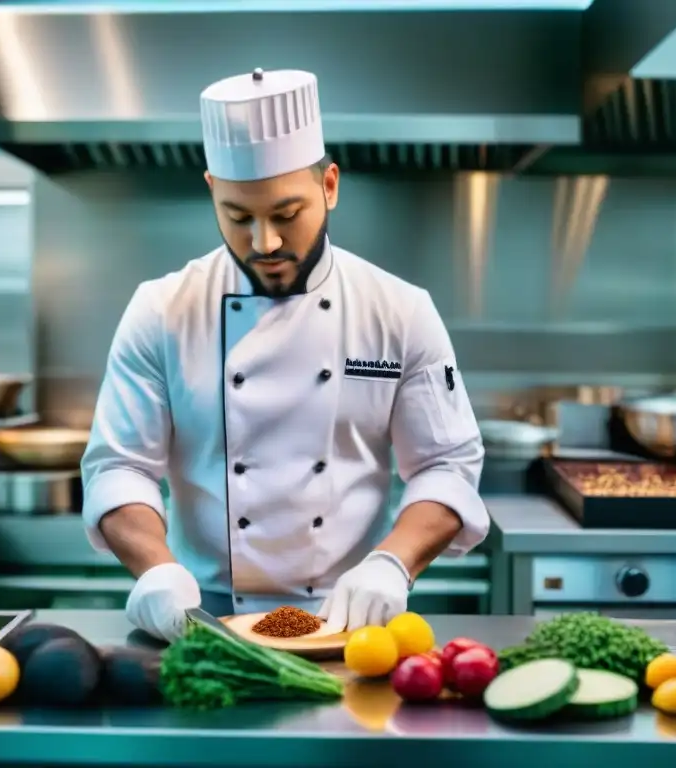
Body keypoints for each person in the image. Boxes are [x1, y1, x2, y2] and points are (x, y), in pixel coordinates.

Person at [81, 67, 487, 642]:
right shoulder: (162, 309)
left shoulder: (399, 310)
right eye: (238, 217)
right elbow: (120, 467)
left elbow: (446, 465)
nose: (264, 243)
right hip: (201, 617)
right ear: (211, 192)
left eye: (286, 215)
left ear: (330, 186)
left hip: (351, 616)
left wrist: (393, 562)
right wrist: (157, 571)